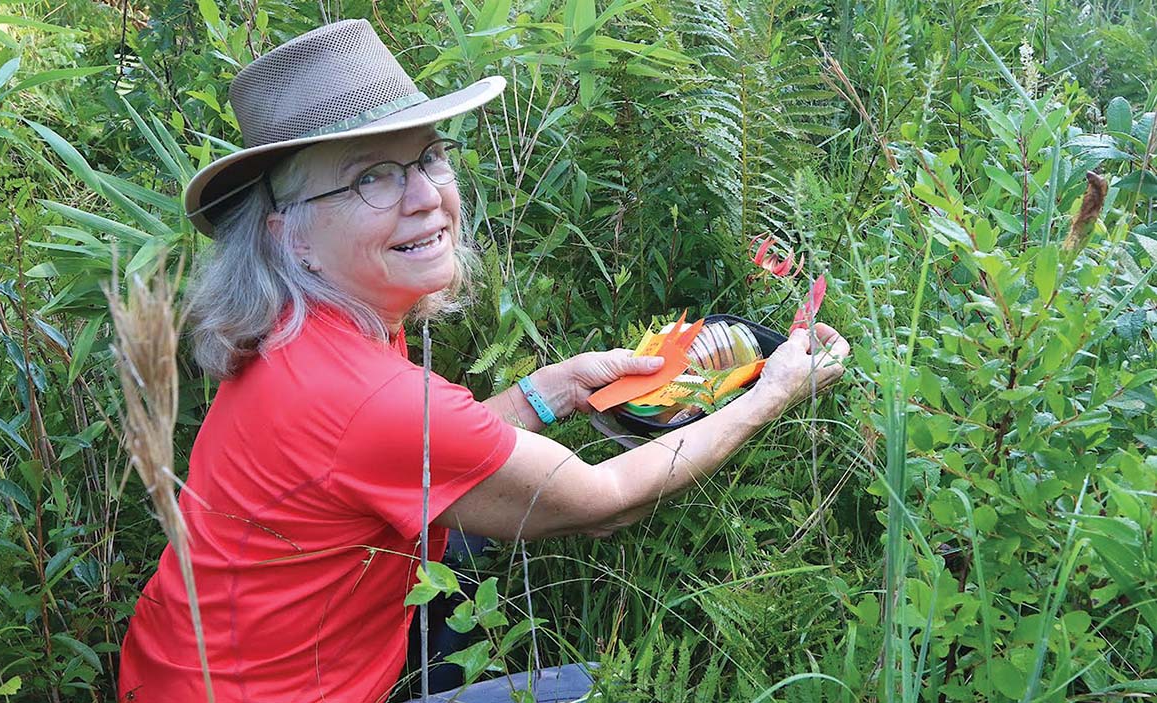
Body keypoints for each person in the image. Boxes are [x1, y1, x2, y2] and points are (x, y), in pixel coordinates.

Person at [116, 18, 850, 703]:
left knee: (460, 537)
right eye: (371, 176)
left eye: (429, 157)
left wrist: (552, 389)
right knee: (616, 687)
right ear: (291, 237)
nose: (427, 196)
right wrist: (773, 391)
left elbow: (423, 455)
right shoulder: (365, 397)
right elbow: (607, 499)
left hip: (176, 672)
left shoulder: (302, 326)